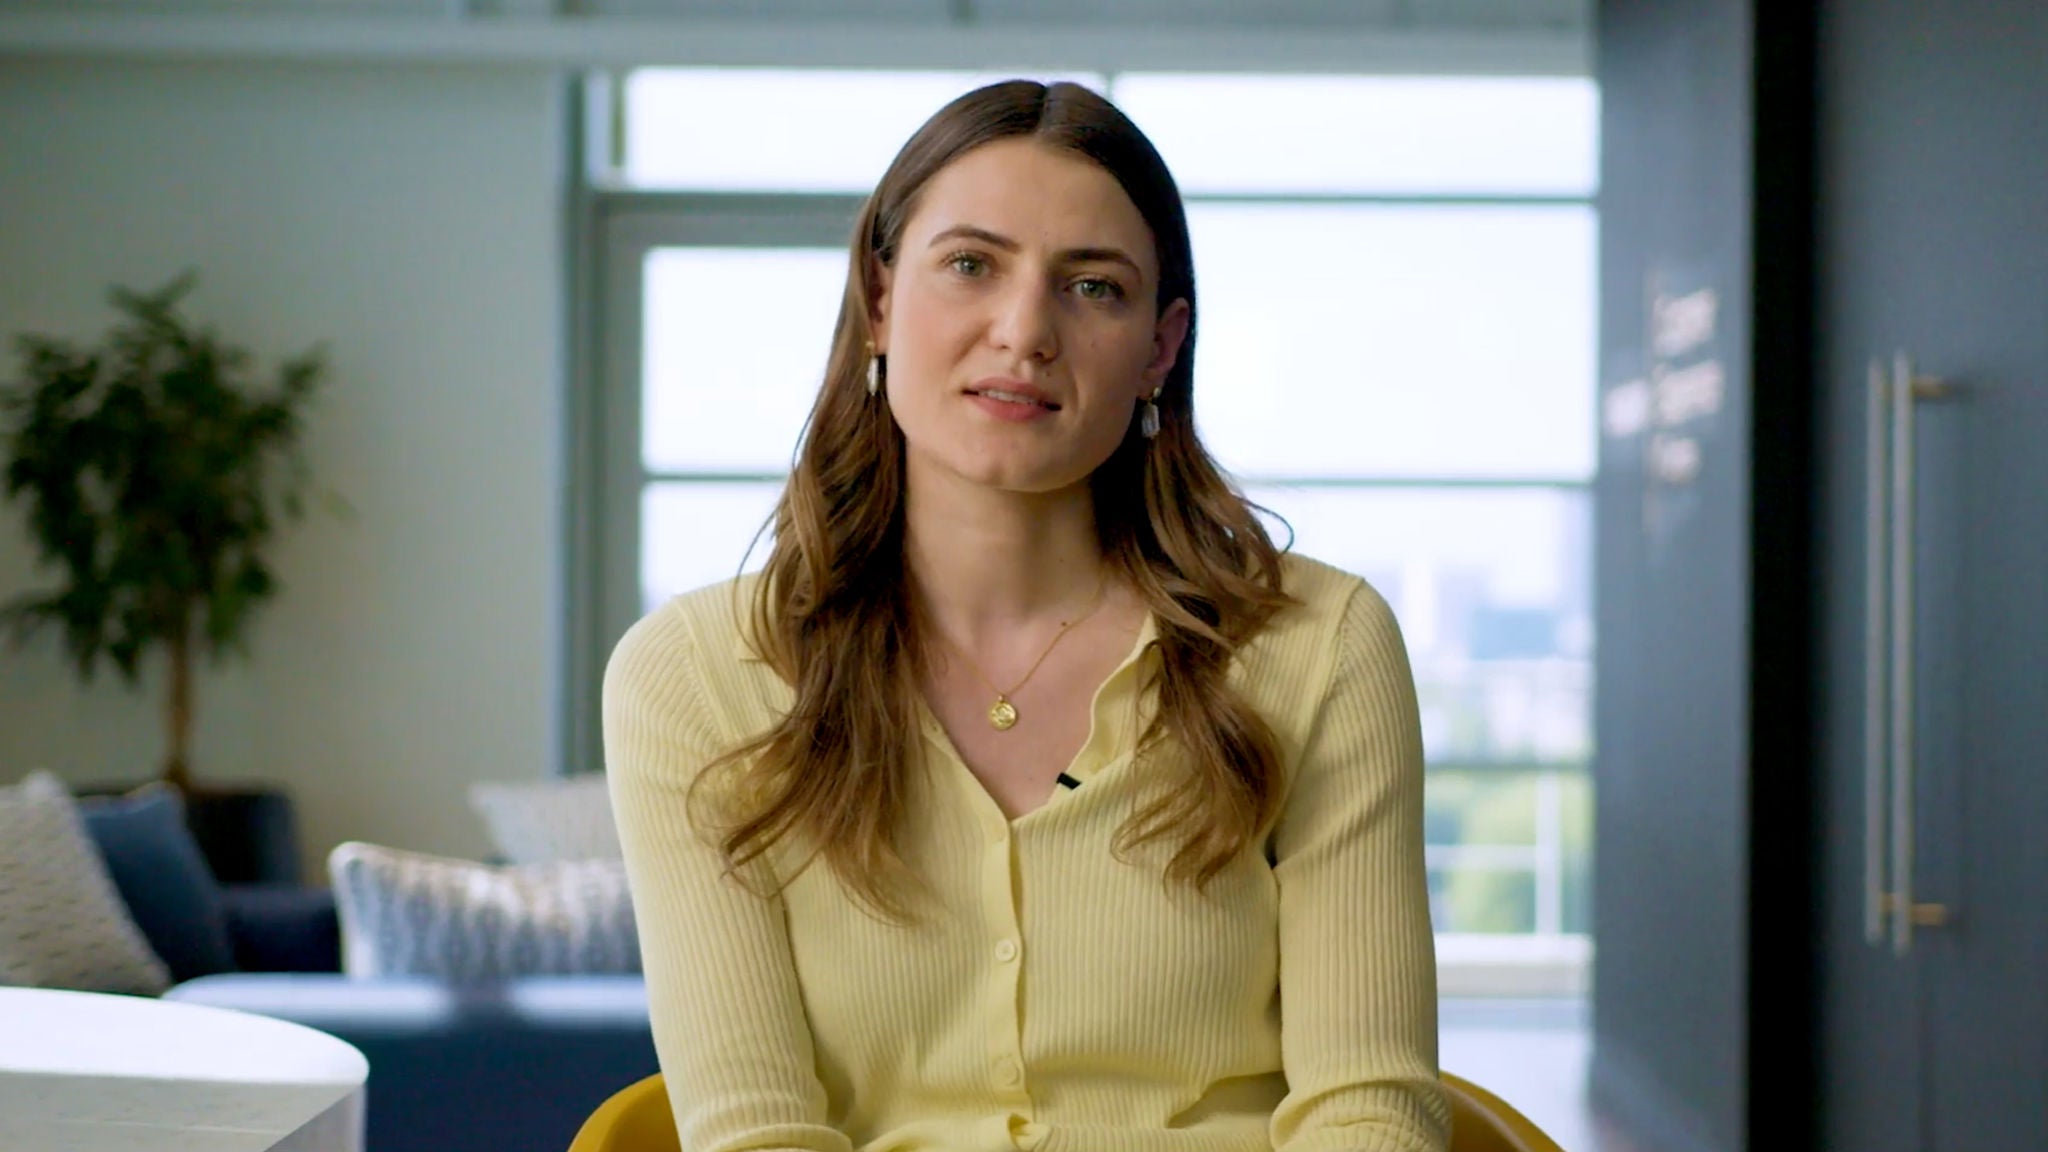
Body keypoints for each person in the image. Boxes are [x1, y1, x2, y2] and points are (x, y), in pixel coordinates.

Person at [604, 78, 1449, 1152]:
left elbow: (1368, 1111)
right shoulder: (692, 677)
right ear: (878, 300)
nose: (1024, 332)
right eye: (970, 265)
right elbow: (754, 1135)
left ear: (1158, 348)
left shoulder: (1321, 647)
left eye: (1093, 287)